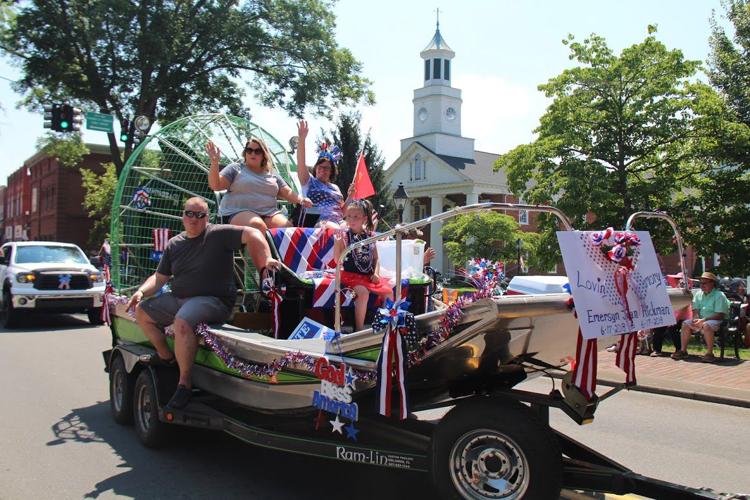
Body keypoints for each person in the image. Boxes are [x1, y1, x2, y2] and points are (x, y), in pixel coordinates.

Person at [126, 197, 280, 409]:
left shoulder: (218, 234)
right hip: (179, 298)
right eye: (189, 213)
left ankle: (184, 384)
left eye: (199, 215)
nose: (193, 219)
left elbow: (253, 233)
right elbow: (160, 278)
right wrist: (141, 292)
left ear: (207, 218)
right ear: (183, 215)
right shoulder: (174, 244)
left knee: (182, 321)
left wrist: (266, 261)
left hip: (213, 300)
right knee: (142, 313)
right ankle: (166, 356)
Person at [206, 138, 312, 232]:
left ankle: (280, 255)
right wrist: (214, 163)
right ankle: (263, 255)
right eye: (249, 150)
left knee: (288, 229)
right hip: (237, 212)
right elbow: (216, 185)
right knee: (257, 225)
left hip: (268, 213)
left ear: (264, 154)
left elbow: (287, 192)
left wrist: (301, 200)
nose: (253, 154)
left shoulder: (272, 173)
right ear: (245, 153)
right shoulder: (235, 168)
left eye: (257, 151)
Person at [334, 199, 393, 331]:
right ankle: (359, 329)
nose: (352, 220)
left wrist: (376, 273)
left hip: (367, 275)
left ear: (364, 219)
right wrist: (337, 244)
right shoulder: (344, 236)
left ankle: (385, 326)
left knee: (388, 292)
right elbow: (338, 260)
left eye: (356, 217)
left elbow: (376, 258)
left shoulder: (370, 236)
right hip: (351, 275)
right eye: (349, 216)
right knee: (363, 293)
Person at [295, 120, 352, 229]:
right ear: (316, 168)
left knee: (356, 229)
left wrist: (350, 196)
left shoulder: (335, 188)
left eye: (326, 167)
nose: (322, 170)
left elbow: (343, 212)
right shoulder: (309, 181)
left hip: (340, 223)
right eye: (320, 166)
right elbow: (301, 162)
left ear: (331, 171)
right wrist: (302, 138)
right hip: (320, 223)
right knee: (337, 230)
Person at [672, 272, 730, 363]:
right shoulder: (699, 294)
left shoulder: (719, 295)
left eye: (704, 283)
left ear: (712, 284)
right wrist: (696, 318)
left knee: (706, 325)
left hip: (717, 320)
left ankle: (710, 354)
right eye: (701, 283)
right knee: (685, 324)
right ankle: (683, 351)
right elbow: (695, 309)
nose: (702, 285)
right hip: (702, 319)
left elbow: (720, 314)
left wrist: (703, 320)